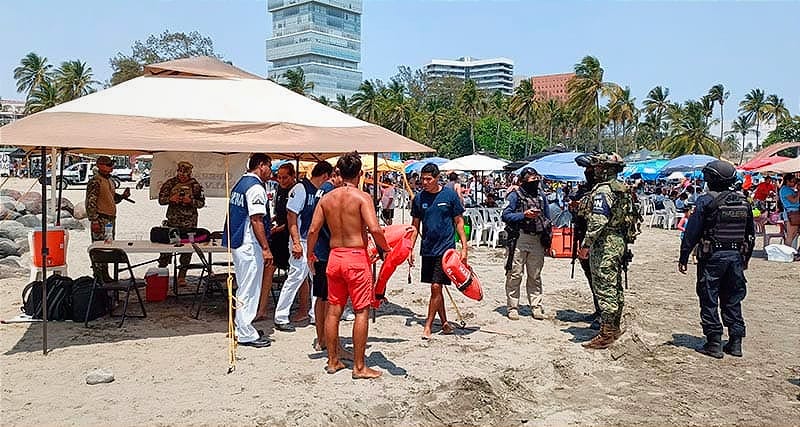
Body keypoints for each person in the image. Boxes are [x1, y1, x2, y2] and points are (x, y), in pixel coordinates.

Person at [306, 151, 391, 379]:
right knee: (361, 310)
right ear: (360, 173)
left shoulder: (327, 199)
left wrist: (309, 254)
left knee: (333, 311)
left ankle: (333, 361)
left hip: (334, 257)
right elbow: (374, 228)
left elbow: (313, 230)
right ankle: (360, 367)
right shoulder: (362, 198)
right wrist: (385, 249)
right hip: (355, 257)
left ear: (338, 173)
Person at [679, 160, 755, 358]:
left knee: (709, 296)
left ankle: (714, 342)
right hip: (736, 257)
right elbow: (750, 235)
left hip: (712, 257)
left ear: (711, 179)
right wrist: (745, 258)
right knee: (733, 298)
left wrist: (684, 256)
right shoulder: (743, 201)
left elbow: (692, 232)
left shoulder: (706, 201)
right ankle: (736, 342)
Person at [576, 153, 641, 349]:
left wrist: (586, 245)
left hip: (605, 244)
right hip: (618, 241)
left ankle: (607, 333)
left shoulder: (603, 191)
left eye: (597, 168)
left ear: (604, 169)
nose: (594, 171)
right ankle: (614, 327)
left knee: (605, 288)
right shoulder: (622, 188)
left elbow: (598, 220)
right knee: (615, 287)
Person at [274, 161, 333, 332]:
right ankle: (281, 315)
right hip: (302, 240)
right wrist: (296, 242)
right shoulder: (301, 189)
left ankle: (315, 314)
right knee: (296, 277)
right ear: (324, 176)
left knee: (317, 279)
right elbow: (291, 217)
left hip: (315, 242)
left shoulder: (319, 192)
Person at [410, 163, 468, 339]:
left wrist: (464, 247)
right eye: (423, 179)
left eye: (429, 179)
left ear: (437, 178)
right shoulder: (419, 199)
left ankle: (428, 325)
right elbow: (415, 226)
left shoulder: (449, 196)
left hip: (446, 250)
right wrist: (409, 249)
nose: (425, 182)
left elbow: (459, 221)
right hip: (427, 248)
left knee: (436, 286)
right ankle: (444, 323)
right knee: (437, 288)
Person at [222, 154, 273, 348]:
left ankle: (243, 326)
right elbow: (256, 219)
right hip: (249, 244)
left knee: (245, 286)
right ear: (261, 166)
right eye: (269, 166)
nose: (271, 171)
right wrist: (266, 248)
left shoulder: (240, 183)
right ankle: (245, 332)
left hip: (238, 241)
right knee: (249, 289)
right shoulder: (255, 188)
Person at [501, 167, 551, 320]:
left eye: (536, 179)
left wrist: (548, 237)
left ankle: (536, 306)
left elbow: (548, 218)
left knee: (535, 275)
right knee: (515, 274)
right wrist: (523, 215)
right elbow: (506, 215)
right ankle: (512, 307)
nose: (535, 182)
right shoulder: (515, 196)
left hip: (537, 239)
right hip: (519, 238)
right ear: (523, 181)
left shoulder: (542, 196)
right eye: (531, 179)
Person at [256, 163, 295, 320]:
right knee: (269, 269)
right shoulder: (279, 189)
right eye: (279, 177)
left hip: (289, 235)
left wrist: (280, 227)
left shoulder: (295, 191)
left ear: (292, 176)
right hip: (278, 235)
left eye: (285, 177)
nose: (281, 180)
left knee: (298, 274)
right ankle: (262, 308)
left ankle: (304, 307)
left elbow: (293, 218)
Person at [157, 161, 206, 286]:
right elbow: (161, 200)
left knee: (187, 250)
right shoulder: (170, 183)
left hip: (189, 223)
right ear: (177, 171)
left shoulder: (195, 185)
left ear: (190, 173)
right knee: (166, 249)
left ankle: (182, 276)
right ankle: (161, 274)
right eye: (180, 171)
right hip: (173, 222)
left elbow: (201, 203)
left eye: (185, 172)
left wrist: (191, 201)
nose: (182, 174)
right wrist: (171, 199)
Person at [86, 155, 130, 280]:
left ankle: (105, 275)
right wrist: (94, 219)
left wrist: (122, 196)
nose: (111, 167)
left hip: (110, 219)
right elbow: (91, 201)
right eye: (108, 165)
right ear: (100, 166)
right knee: (99, 248)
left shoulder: (109, 180)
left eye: (112, 165)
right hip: (100, 218)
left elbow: (112, 198)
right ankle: (98, 276)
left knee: (108, 247)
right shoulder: (96, 181)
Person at [568, 163, 601, 329]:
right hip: (583, 237)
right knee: (591, 277)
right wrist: (575, 207)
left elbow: (598, 218)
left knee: (601, 279)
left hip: (598, 241)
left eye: (590, 171)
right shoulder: (584, 190)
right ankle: (598, 309)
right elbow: (579, 214)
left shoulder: (602, 192)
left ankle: (605, 315)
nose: (587, 173)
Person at [778, 173, 799, 250]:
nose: (794, 183)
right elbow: (793, 200)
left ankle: (789, 251)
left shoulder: (788, 189)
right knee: (791, 235)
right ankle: (786, 251)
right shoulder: (785, 189)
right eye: (792, 181)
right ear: (787, 181)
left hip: (793, 213)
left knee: (793, 234)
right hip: (791, 213)